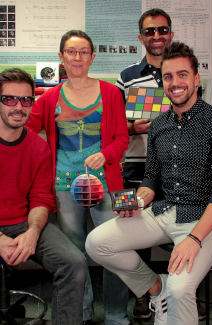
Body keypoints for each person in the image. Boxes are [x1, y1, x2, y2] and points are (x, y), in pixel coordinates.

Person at [86, 42, 212, 325]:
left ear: (196, 79)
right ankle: (157, 288)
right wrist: (135, 202)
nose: (175, 83)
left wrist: (194, 240)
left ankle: (172, 291)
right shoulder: (159, 125)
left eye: (182, 75)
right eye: (168, 77)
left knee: (182, 289)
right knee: (97, 243)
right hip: (164, 211)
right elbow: (151, 179)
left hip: (208, 220)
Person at [26, 30, 130, 325]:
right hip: (63, 185)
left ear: (92, 57)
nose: (77, 58)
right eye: (71, 52)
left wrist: (106, 154)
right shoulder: (48, 98)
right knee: (75, 252)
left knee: (115, 248)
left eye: (84, 52)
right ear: (61, 57)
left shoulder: (110, 93)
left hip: (106, 183)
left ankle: (116, 316)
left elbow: (122, 138)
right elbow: (26, 129)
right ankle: (80, 314)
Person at [0, 67, 87, 325]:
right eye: (9, 99)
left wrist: (32, 232)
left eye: (26, 100)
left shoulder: (38, 146)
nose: (19, 106)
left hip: (22, 223)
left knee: (74, 263)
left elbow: (40, 198)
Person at [116, 8, 174, 318]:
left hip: (175, 169)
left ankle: (178, 294)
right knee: (132, 232)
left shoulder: (182, 72)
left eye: (161, 30)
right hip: (133, 169)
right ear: (141, 37)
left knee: (180, 229)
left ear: (170, 34)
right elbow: (112, 126)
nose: (156, 36)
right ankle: (145, 293)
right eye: (150, 31)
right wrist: (132, 127)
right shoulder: (126, 77)